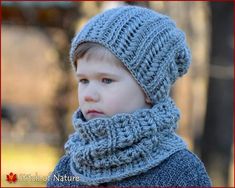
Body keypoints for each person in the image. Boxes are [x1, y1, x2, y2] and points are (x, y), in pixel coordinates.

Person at [47, 5, 212, 187]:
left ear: (149, 90)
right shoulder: (68, 169)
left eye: (106, 80)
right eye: (84, 80)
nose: (89, 95)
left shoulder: (181, 171)